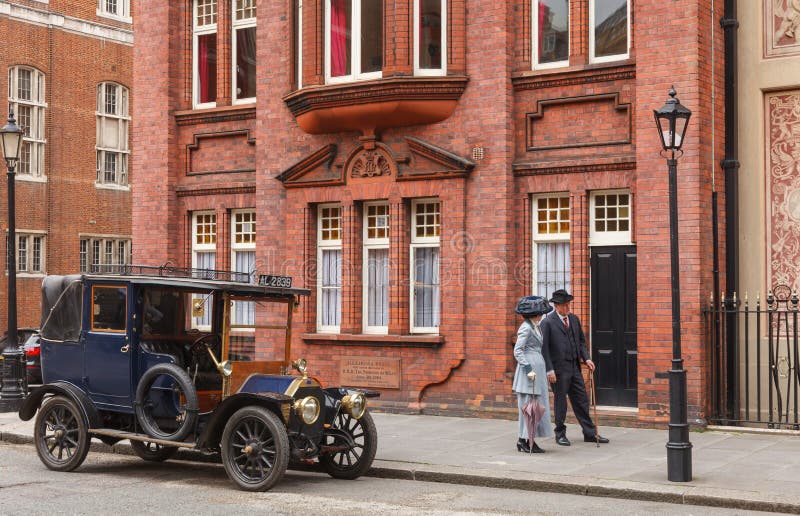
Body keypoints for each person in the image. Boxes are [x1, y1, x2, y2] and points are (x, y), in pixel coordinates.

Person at [541, 289, 609, 446]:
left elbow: (581, 342)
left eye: (569, 304)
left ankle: (590, 433)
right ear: (557, 306)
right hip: (558, 370)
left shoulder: (573, 319)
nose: (568, 307)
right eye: (565, 305)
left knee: (582, 400)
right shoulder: (547, 323)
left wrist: (587, 358)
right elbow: (544, 349)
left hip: (574, 367)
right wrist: (549, 370)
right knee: (561, 402)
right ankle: (560, 434)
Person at [512, 296, 554, 453]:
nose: (542, 314)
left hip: (538, 371)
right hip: (529, 373)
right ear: (534, 313)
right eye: (540, 312)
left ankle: (528, 439)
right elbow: (518, 351)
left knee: (536, 407)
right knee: (528, 407)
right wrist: (528, 370)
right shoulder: (526, 327)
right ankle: (524, 440)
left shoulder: (536, 326)